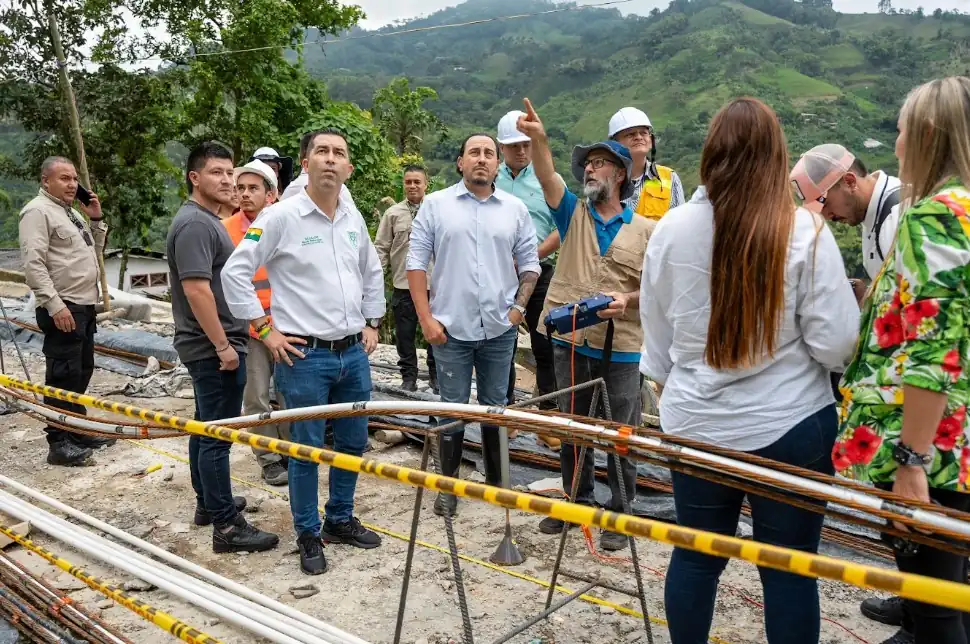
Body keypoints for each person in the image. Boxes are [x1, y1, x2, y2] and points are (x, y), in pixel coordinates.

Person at [640, 98, 859, 643]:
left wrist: (686, 385)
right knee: (789, 571)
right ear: (775, 158)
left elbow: (658, 340)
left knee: (696, 556)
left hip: (696, 428)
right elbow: (837, 345)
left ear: (711, 154)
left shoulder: (671, 228)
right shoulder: (804, 231)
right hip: (791, 428)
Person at [832, 76, 970, 644]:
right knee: (952, 601)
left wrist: (911, 460)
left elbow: (936, 349)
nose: (895, 146)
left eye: (900, 131)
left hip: (928, 447)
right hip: (956, 438)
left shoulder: (933, 216)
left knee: (935, 613)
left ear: (928, 135)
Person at [223, 128, 386, 576]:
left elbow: (371, 270)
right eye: (322, 151)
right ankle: (308, 533)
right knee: (305, 450)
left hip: (353, 354)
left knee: (352, 443)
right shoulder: (282, 217)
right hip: (302, 357)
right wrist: (263, 329)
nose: (330, 159)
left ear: (348, 168)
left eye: (339, 153)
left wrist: (372, 322)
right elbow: (235, 272)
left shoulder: (352, 219)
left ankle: (339, 519)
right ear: (306, 162)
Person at [515, 100, 652, 552]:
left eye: (600, 164)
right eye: (589, 164)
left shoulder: (648, 231)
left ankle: (621, 516)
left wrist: (627, 300)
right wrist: (539, 139)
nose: (590, 170)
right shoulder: (571, 213)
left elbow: (657, 290)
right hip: (572, 340)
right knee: (573, 429)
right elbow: (548, 175)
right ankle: (576, 504)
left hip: (623, 346)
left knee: (620, 435)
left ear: (620, 176)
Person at [791, 144, 910, 639]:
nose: (830, 219)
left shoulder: (900, 216)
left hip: (909, 391)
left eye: (828, 206)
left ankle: (932, 618)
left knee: (917, 509)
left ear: (847, 182)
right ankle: (916, 600)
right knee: (898, 512)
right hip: (892, 386)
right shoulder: (874, 216)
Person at [407, 132, 541, 517]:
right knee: (451, 409)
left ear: (498, 164)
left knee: (496, 408)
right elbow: (416, 265)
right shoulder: (435, 206)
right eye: (474, 153)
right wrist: (426, 320)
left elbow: (530, 264)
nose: (482, 159)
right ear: (460, 163)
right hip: (449, 330)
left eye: (489, 153)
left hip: (500, 330)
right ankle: (448, 488)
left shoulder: (514, 209)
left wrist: (517, 311)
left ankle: (498, 486)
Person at [167, 141, 280, 554]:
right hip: (213, 345)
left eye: (230, 172)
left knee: (204, 426)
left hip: (212, 343)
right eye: (217, 172)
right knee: (218, 435)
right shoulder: (196, 224)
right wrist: (222, 346)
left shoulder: (206, 220)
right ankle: (227, 528)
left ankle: (208, 503)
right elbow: (197, 290)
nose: (228, 180)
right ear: (195, 178)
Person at [19, 156, 114, 466]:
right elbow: (34, 265)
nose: (72, 184)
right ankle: (58, 441)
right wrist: (54, 304)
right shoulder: (37, 212)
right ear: (46, 181)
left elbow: (93, 253)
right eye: (64, 178)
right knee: (62, 374)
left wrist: (96, 220)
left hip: (83, 305)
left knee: (81, 370)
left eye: (74, 178)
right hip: (64, 305)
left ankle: (76, 429)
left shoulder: (71, 213)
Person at [495, 110, 562, 451]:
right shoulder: (491, 179)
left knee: (545, 343)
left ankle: (548, 418)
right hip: (499, 272)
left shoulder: (546, 179)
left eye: (525, 144)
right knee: (501, 341)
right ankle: (504, 414)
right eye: (513, 146)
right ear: (501, 148)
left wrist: (531, 254)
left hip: (541, 269)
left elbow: (561, 227)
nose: (521, 151)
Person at [221, 160, 290, 486]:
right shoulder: (226, 230)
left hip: (287, 326)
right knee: (257, 397)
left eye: (253, 188)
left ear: (271, 195)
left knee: (291, 395)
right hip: (250, 329)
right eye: (241, 188)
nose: (245, 194)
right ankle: (269, 458)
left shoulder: (286, 224)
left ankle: (292, 451)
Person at [791, 144, 901, 282]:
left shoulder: (896, 217)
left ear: (850, 182)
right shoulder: (870, 212)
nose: (827, 216)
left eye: (826, 204)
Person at [374, 165, 438, 393]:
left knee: (436, 332)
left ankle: (435, 376)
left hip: (434, 285)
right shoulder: (393, 214)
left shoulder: (437, 210)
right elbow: (381, 248)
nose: (412, 186)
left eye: (417, 182)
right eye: (408, 182)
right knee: (405, 335)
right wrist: (375, 277)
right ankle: (408, 377)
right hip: (403, 285)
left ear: (425, 184)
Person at [608, 107, 685, 220]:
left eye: (643, 133)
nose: (638, 137)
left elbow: (680, 224)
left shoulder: (669, 177)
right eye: (630, 134)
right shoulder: (604, 181)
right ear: (614, 144)